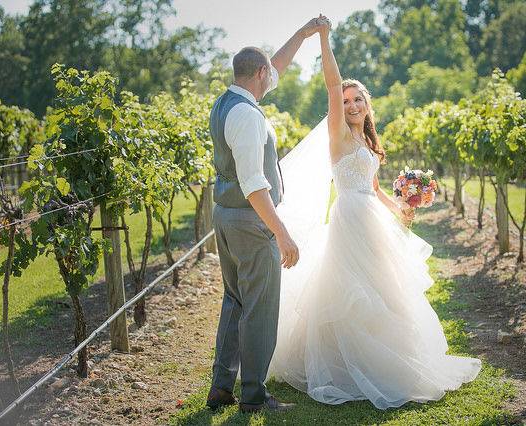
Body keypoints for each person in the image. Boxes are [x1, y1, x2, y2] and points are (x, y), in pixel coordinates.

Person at [268, 15, 482, 410]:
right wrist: (323, 38)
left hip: (373, 218)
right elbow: (332, 84)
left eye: (357, 99)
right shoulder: (336, 135)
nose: (349, 104)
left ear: (368, 105)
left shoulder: (367, 142)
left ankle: (388, 358)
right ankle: (347, 366)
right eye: (346, 101)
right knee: (353, 294)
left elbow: (375, 188)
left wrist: (400, 207)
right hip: (349, 221)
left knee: (385, 292)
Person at [205, 17, 327, 414]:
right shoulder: (247, 116)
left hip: (225, 216)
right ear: (259, 74)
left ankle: (221, 388)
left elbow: (276, 65)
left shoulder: (227, 102)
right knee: (259, 309)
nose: (272, 76)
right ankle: (254, 396)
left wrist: (305, 35)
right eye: (268, 74)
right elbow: (255, 185)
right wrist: (282, 233)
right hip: (248, 220)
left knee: (235, 302)